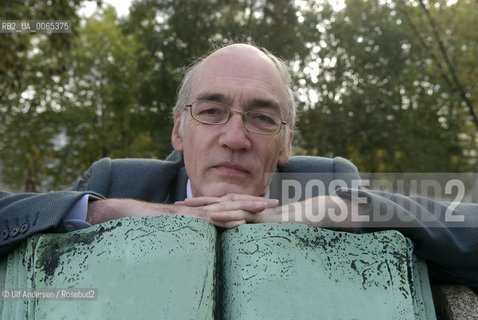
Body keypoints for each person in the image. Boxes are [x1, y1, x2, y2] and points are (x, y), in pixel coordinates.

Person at [0, 43, 477, 288]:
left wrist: (340, 210)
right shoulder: (117, 182)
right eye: (211, 112)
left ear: (287, 141)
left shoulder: (328, 183)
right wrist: (115, 214)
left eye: (262, 118)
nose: (234, 137)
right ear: (178, 131)